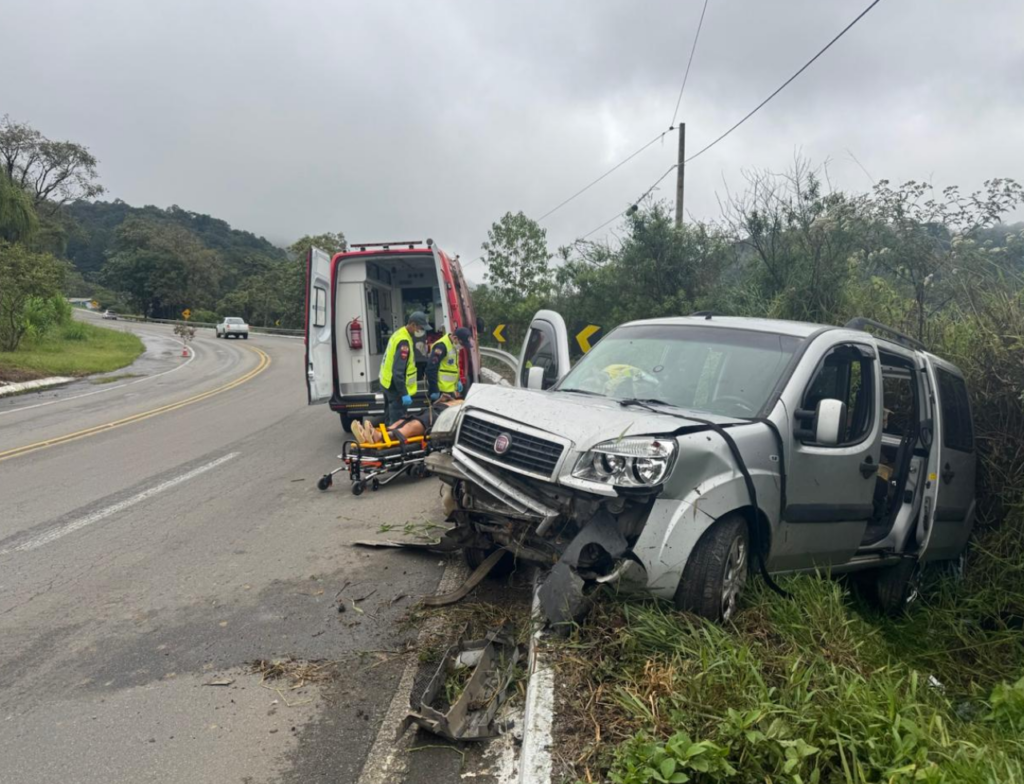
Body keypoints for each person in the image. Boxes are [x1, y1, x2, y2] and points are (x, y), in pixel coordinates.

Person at [380, 311, 429, 422]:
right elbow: (398, 371)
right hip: (395, 388)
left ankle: (386, 436)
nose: (420, 331)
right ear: (413, 324)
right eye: (420, 328)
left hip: (387, 383)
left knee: (389, 419)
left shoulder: (399, 333)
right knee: (397, 422)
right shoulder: (404, 342)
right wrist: (404, 394)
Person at [352, 398, 464, 444]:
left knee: (413, 424)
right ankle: (373, 434)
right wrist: (442, 399)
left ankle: (379, 436)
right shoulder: (463, 398)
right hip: (434, 409)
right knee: (404, 419)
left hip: (442, 416)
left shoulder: (468, 403)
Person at [426, 326, 472, 401]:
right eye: (462, 343)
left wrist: (458, 380)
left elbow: (452, 366)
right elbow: (431, 368)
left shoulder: (454, 346)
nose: (462, 346)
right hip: (440, 391)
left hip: (450, 390)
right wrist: (434, 389)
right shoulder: (441, 346)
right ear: (455, 338)